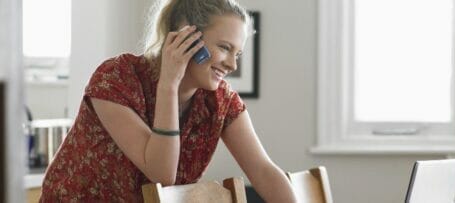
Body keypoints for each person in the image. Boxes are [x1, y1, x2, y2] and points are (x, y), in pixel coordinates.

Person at [39, 0, 297, 202]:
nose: (232, 64)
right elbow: (161, 175)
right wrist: (169, 84)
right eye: (225, 48)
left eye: (237, 53)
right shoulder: (116, 78)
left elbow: (263, 171)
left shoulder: (220, 101)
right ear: (186, 37)